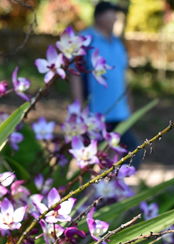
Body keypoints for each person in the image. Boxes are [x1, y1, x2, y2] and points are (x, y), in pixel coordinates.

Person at [70, 1, 142, 168]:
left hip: (119, 112)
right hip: (95, 114)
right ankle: (89, 191)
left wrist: (129, 104)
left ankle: (112, 189)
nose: (116, 17)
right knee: (91, 158)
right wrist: (79, 105)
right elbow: (75, 74)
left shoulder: (117, 43)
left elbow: (122, 76)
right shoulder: (85, 40)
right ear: (100, 16)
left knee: (128, 154)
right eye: (112, 13)